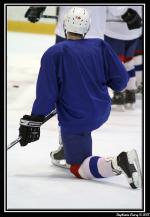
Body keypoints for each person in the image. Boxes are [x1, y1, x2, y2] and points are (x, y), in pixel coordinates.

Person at [19, 7, 141, 189]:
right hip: (102, 110)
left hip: (77, 119)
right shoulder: (101, 46)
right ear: (88, 27)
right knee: (75, 124)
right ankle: (65, 149)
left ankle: (117, 162)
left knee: (78, 166)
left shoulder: (54, 53)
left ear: (64, 26)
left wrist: (35, 120)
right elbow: (121, 81)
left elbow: (47, 94)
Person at [104, 6, 142, 110]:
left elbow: (114, 8)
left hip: (114, 29)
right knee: (129, 62)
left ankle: (118, 95)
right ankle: (130, 95)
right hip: (134, 30)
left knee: (116, 63)